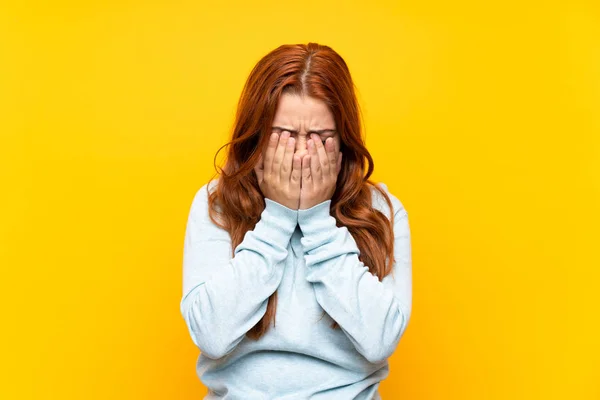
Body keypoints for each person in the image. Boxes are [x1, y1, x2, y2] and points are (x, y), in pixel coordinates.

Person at [180, 42, 412, 399]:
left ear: (343, 140)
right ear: (257, 135)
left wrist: (318, 219)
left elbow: (379, 339)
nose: (302, 153)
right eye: (284, 137)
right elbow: (211, 334)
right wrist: (279, 216)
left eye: (320, 138)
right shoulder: (217, 205)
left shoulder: (381, 211)